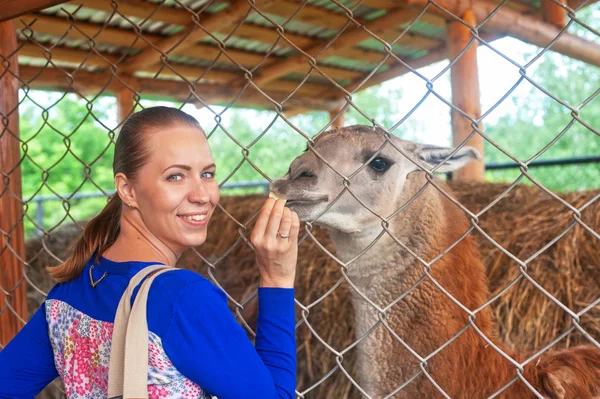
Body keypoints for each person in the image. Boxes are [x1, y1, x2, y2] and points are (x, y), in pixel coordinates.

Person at [0, 106, 300, 398]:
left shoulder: (68, 294)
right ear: (128, 190)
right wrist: (277, 279)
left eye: (207, 174)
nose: (202, 196)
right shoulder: (182, 298)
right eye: (175, 176)